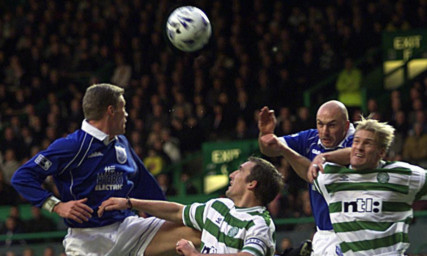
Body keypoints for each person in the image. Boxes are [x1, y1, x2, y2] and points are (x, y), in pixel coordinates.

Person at [11, 83, 200, 255]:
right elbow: (22, 177)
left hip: (128, 228)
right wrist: (56, 205)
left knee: (199, 233)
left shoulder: (121, 142)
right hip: (87, 240)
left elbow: (146, 185)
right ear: (111, 111)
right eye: (123, 108)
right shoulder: (72, 145)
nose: (126, 114)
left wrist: (165, 216)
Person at [98, 156, 284, 256]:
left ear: (252, 184)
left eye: (240, 171)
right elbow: (178, 211)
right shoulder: (219, 206)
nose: (232, 175)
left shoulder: (260, 223)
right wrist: (130, 202)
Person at [312, 117, 427, 255]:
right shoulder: (331, 176)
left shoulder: (402, 175)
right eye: (356, 141)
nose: (359, 147)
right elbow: (308, 172)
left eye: (368, 143)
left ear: (381, 152)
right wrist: (285, 150)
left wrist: (327, 156)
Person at [258, 100, 354, 256]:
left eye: (331, 125)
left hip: (350, 233)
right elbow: (270, 149)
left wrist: (324, 157)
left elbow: (355, 154)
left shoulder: (356, 140)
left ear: (346, 125)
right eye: (320, 124)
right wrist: (265, 134)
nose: (324, 132)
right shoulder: (311, 138)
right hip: (323, 234)